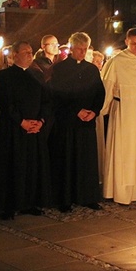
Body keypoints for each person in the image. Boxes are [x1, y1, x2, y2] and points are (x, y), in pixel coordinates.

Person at [0, 41, 52, 219]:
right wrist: (22, 121)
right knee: (13, 165)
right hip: (14, 129)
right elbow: (6, 103)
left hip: (34, 129)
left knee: (32, 166)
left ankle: (29, 202)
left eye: (31, 51)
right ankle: (8, 206)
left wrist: (41, 121)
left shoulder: (37, 75)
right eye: (25, 51)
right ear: (15, 55)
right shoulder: (4, 76)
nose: (29, 54)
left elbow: (47, 100)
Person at [48, 32, 105, 212]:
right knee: (67, 160)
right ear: (72, 48)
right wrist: (75, 111)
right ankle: (65, 198)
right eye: (79, 49)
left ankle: (87, 196)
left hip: (86, 122)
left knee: (86, 161)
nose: (82, 52)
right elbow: (56, 96)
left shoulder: (92, 69)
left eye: (85, 49)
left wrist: (94, 111)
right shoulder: (60, 69)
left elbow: (99, 93)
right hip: (67, 122)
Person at [101, 28, 136, 205]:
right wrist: (102, 109)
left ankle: (135, 190)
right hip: (123, 111)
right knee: (122, 150)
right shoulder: (117, 61)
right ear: (126, 41)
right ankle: (118, 190)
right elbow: (108, 86)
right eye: (133, 43)